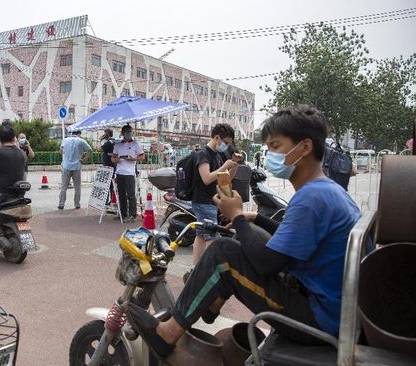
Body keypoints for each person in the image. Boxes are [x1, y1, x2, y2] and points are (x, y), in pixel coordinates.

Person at [128, 105, 362, 359]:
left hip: (320, 317)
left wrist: (237, 215)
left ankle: (168, 333)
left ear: (304, 148)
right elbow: (290, 238)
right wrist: (255, 218)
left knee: (222, 253)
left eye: (275, 146)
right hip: (333, 308)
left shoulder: (312, 197)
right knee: (243, 234)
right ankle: (212, 303)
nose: (269, 154)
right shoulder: (326, 190)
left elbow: (268, 264)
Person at [190, 123, 240, 264]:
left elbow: (224, 180)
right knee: (212, 238)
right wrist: (224, 166)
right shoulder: (202, 154)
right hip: (203, 202)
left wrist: (234, 165)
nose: (226, 146)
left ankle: (195, 269)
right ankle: (210, 270)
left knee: (201, 236)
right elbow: (206, 178)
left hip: (210, 202)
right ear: (217, 137)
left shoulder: (217, 155)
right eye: (225, 142)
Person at [111, 125, 145, 222]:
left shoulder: (135, 144)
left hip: (129, 173)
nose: (129, 133)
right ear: (122, 133)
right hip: (119, 172)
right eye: (127, 132)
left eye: (130, 131)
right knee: (121, 195)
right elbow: (113, 158)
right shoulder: (118, 145)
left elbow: (142, 157)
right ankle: (122, 214)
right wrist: (116, 159)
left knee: (130, 195)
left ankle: (132, 215)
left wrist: (132, 159)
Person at [58, 130, 91, 210]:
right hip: (77, 166)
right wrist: (84, 159)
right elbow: (89, 150)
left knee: (64, 186)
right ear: (79, 133)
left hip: (66, 166)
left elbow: (61, 151)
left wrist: (67, 155)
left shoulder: (65, 140)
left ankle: (61, 204)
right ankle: (77, 204)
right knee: (77, 187)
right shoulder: (81, 141)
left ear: (71, 133)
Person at [98, 129, 116, 206]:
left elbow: (99, 149)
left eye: (104, 134)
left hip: (108, 166)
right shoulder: (113, 141)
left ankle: (107, 201)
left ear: (107, 134)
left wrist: (100, 141)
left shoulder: (109, 143)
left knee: (108, 184)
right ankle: (111, 200)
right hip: (112, 165)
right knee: (111, 184)